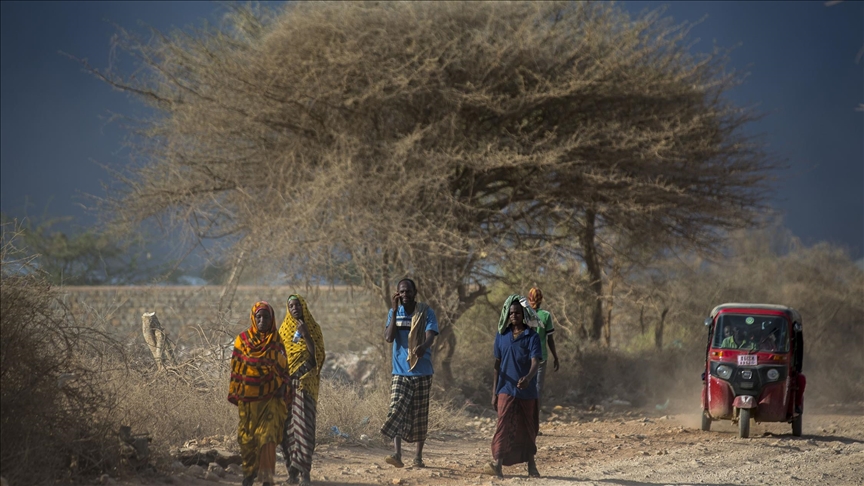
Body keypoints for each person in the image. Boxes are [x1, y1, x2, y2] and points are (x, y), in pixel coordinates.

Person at [228, 302, 291, 486]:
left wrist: (281, 391)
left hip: (271, 401)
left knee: (268, 439)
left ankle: (267, 479)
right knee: (247, 440)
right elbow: (236, 370)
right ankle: (249, 475)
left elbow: (284, 372)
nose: (263, 320)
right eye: (259, 317)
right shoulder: (242, 340)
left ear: (272, 320)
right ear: (253, 319)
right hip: (248, 401)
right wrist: (238, 392)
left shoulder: (277, 342)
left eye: (267, 317)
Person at [381, 278, 439, 468]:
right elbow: (389, 337)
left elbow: (431, 334)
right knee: (397, 408)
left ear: (415, 292)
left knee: (420, 414)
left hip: (422, 371)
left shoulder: (426, 312)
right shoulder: (393, 313)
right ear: (398, 294)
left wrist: (423, 346)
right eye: (402, 292)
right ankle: (397, 454)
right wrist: (394, 309)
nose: (405, 295)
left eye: (408, 291)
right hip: (400, 371)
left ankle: (418, 457)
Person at [486, 294, 542, 479]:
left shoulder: (532, 337)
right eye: (511, 313)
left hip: (527, 390)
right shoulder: (501, 336)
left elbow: (535, 362)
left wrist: (527, 377)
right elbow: (497, 364)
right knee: (503, 424)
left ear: (523, 314)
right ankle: (498, 465)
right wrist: (494, 392)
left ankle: (531, 465)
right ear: (507, 315)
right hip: (505, 388)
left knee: (528, 427)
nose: (514, 316)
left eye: (517, 313)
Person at [278, 295, 326, 486]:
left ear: (304, 307)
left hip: (307, 386)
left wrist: (306, 335)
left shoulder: (314, 328)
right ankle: (292, 473)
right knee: (287, 431)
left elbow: (319, 357)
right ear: (288, 309)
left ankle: (305, 473)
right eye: (291, 305)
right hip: (288, 388)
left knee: (305, 429)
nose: (295, 308)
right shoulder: (283, 331)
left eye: (298, 304)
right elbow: (279, 360)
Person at [526, 288, 559, 416]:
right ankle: (534, 423)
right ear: (541, 300)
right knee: (537, 390)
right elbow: (550, 339)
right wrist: (555, 357)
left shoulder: (524, 314)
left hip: (526, 358)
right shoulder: (545, 315)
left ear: (529, 299)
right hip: (541, 358)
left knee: (524, 388)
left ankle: (524, 422)